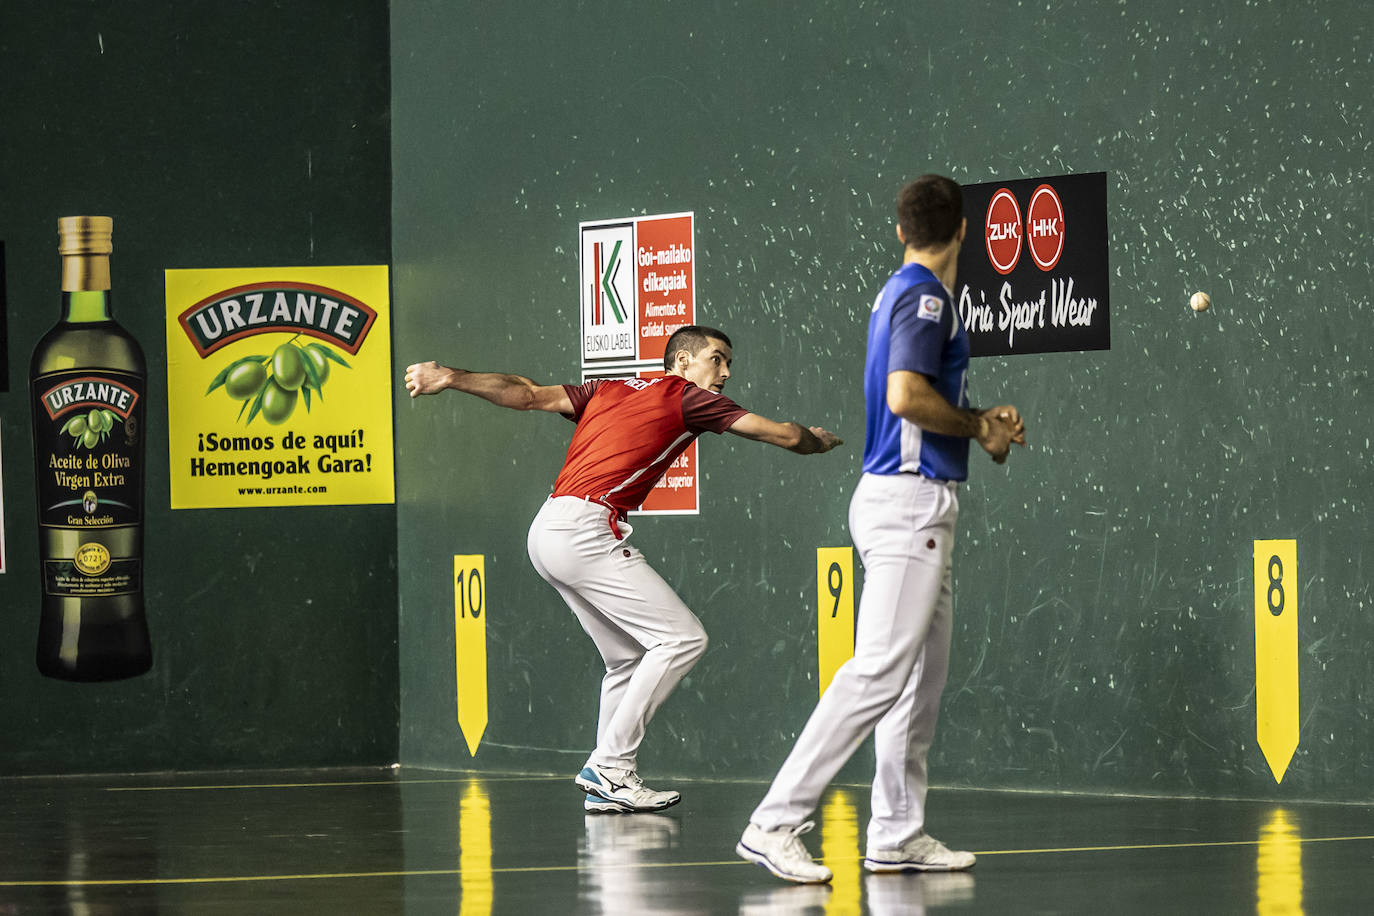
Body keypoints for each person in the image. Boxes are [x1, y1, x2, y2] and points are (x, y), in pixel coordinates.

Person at [405, 326, 841, 814]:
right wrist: (816, 442)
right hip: (586, 530)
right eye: (716, 360)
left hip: (548, 528)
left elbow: (526, 395)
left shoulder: (609, 389)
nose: (725, 373)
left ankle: (607, 784)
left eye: (728, 364)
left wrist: (450, 377)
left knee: (628, 659)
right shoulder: (688, 398)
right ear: (681, 362)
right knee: (683, 640)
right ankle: (609, 766)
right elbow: (781, 434)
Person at [737, 175, 1027, 883]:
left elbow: (919, 392)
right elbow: (905, 396)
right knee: (878, 672)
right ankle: (774, 822)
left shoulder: (904, 293)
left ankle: (897, 834)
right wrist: (980, 425)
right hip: (907, 507)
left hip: (916, 504)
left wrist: (980, 421)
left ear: (900, 230)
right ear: (964, 230)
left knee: (919, 679)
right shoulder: (924, 296)